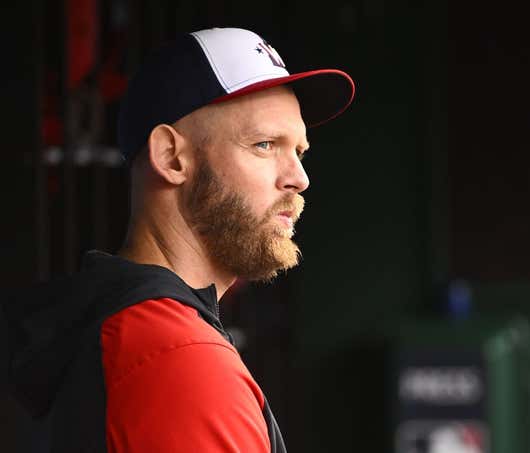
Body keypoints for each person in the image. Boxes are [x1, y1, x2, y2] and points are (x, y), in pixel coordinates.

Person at [4, 27, 354, 452]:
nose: (299, 179)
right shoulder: (181, 358)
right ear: (170, 157)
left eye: (299, 151)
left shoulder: (108, 323)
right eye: (265, 145)